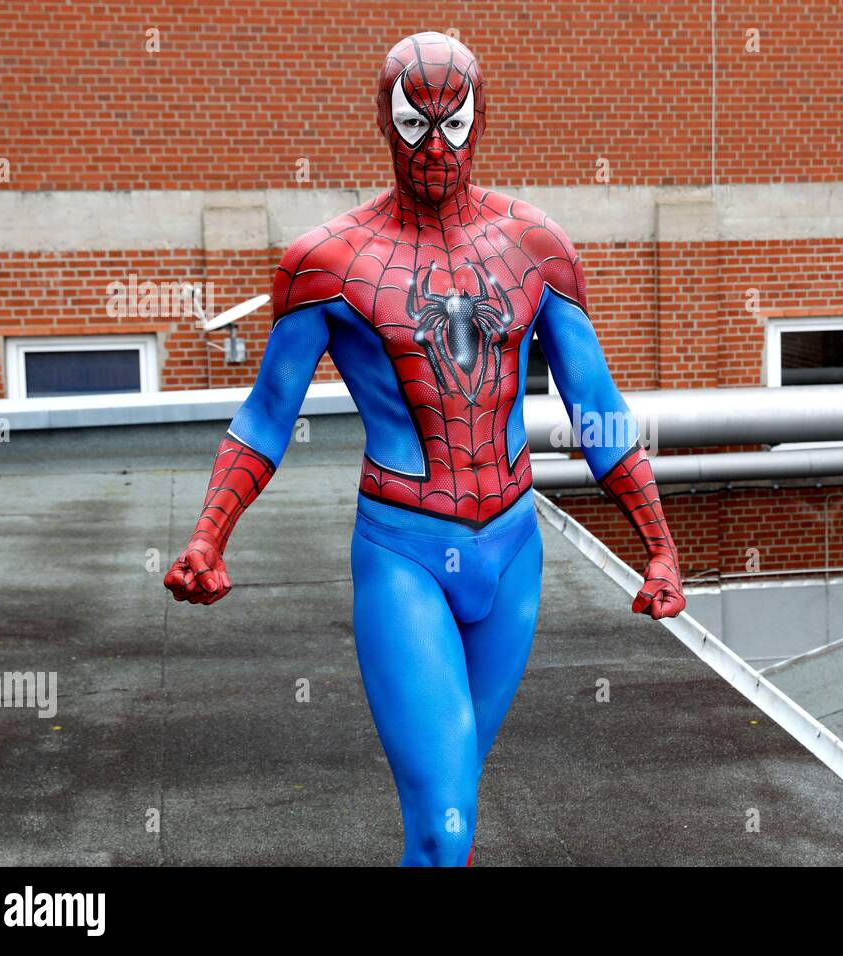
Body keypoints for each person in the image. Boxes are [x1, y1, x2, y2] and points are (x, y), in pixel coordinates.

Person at [163, 31, 686, 866]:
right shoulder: (326, 263)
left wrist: (659, 548)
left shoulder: (536, 246)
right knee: (444, 831)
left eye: (454, 123)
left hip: (514, 551)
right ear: (384, 120)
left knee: (452, 811)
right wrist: (207, 536)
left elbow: (597, 406)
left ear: (481, 122)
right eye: (414, 124)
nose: (435, 147)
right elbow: (267, 413)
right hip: (404, 553)